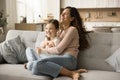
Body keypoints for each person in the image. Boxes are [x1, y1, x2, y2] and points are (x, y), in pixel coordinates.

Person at [25, 6, 89, 80]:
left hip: (69, 60)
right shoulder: (61, 31)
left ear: (72, 18)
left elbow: (58, 50)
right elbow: (53, 43)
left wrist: (42, 50)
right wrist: (48, 44)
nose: (61, 15)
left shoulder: (72, 30)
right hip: (59, 58)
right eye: (61, 14)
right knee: (29, 50)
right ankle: (32, 64)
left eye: (65, 14)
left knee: (36, 64)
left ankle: (71, 73)